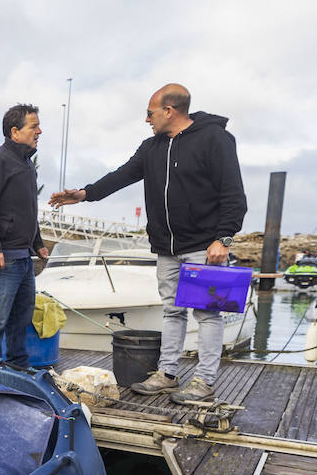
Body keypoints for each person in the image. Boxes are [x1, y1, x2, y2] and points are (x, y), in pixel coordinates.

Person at [49, 84, 246, 403]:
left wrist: (223, 238)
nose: (146, 119)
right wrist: (85, 193)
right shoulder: (151, 147)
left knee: (207, 315)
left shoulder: (215, 139)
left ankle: (204, 380)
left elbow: (233, 193)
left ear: (169, 110)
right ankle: (168, 373)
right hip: (166, 246)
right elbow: (121, 175)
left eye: (149, 113)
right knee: (172, 310)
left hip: (203, 244)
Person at [0, 103, 51, 367]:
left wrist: (38, 243)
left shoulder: (28, 166)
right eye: (34, 126)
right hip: (2, 259)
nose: (39, 131)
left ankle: (18, 364)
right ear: (15, 132)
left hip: (24, 258)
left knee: (22, 317)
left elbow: (28, 210)